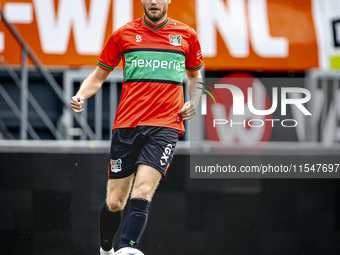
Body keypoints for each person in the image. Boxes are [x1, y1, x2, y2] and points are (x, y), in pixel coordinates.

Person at [71, 0, 203, 254]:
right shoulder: (123, 34)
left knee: (142, 190)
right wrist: (80, 95)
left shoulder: (187, 35)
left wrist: (194, 101)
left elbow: (195, 75)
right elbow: (99, 75)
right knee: (114, 202)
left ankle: (127, 248)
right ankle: (106, 248)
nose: (154, 1)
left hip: (165, 126)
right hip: (127, 125)